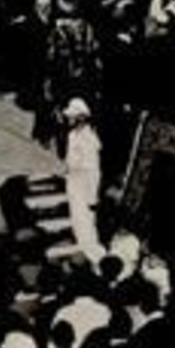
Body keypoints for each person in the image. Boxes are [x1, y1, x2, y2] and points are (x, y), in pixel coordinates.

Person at [62, 98, 103, 258]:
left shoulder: (89, 139)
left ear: (80, 118)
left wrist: (92, 198)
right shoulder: (72, 135)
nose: (68, 119)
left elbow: (93, 171)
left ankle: (94, 256)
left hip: (84, 188)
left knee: (86, 226)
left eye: (72, 116)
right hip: (73, 183)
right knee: (77, 222)